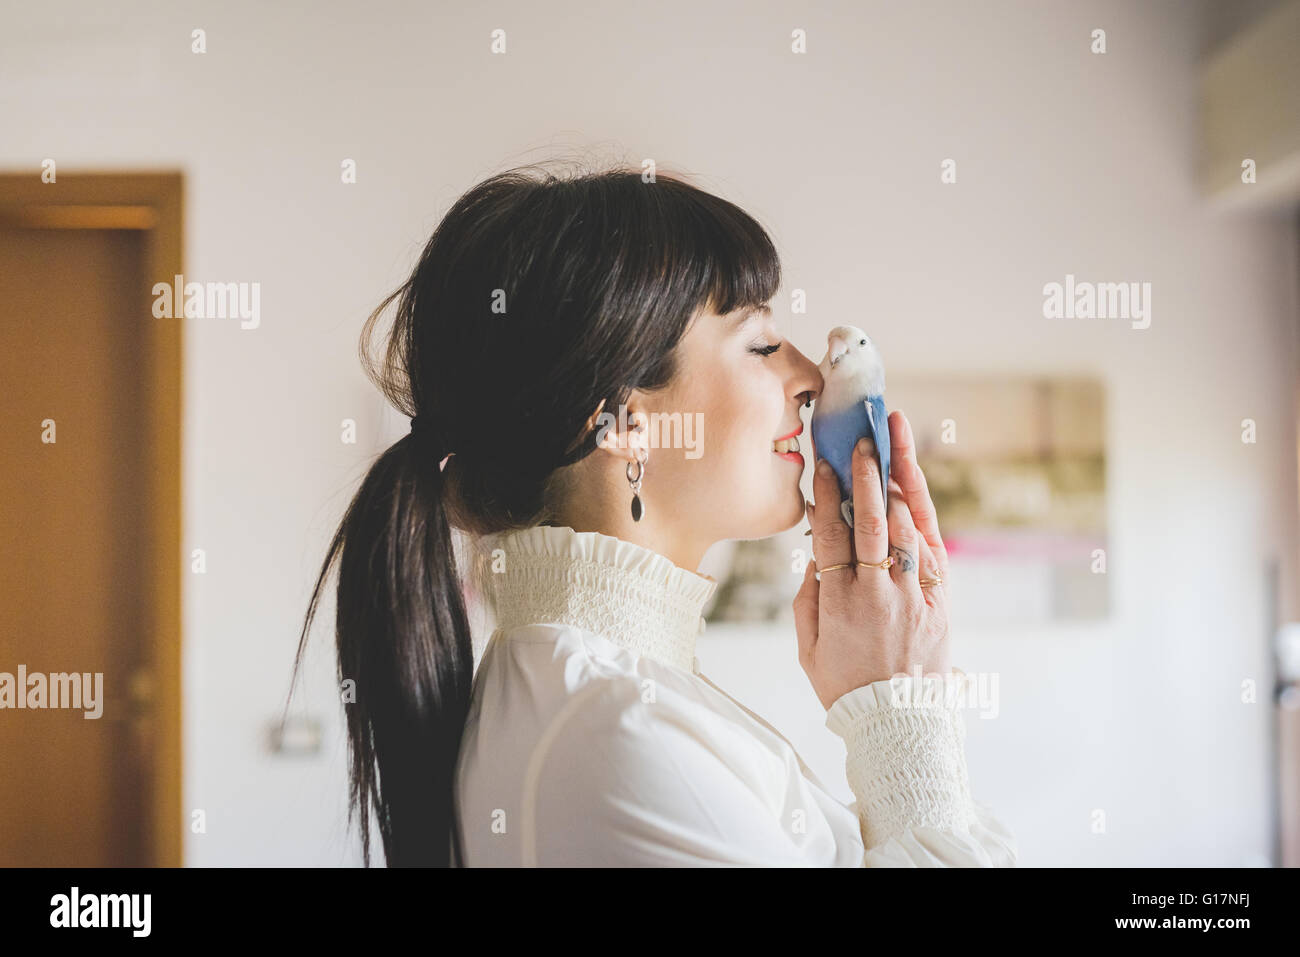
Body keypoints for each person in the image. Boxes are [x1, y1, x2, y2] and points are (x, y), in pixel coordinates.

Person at [290, 161, 1017, 867]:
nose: (808, 376)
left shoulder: (598, 699)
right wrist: (900, 716)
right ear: (622, 423)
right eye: (761, 343)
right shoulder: (619, 735)